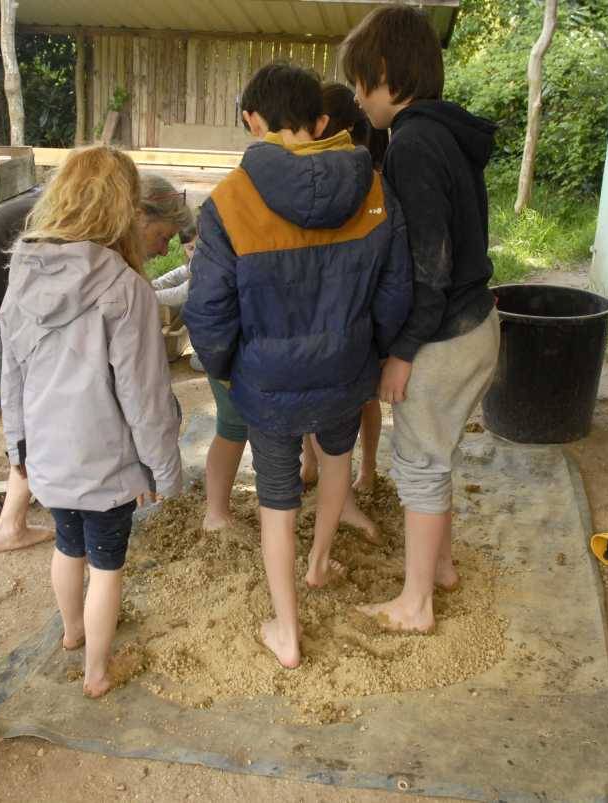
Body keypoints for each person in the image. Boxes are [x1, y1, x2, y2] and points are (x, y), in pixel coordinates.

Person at [184, 63, 412, 668]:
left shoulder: (229, 202)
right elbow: (395, 292)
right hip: (346, 371)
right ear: (321, 120)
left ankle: (286, 631)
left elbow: (207, 311)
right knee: (337, 462)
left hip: (266, 383)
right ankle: (319, 563)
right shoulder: (374, 189)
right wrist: (373, 352)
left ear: (251, 120)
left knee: (278, 497)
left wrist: (228, 369)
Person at [0, 173, 192, 554]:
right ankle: (40, 525)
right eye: (162, 236)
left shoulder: (73, 217)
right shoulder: (80, 237)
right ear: (138, 215)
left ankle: (26, 522)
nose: (162, 249)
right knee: (48, 418)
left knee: (42, 418)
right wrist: (143, 467)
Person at [0, 145, 183, 697]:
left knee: (67, 544)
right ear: (124, 207)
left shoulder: (21, 273)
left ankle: (73, 633)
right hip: (106, 461)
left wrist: (17, 447)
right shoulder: (125, 288)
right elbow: (145, 397)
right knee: (107, 565)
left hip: (48, 453)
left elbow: (12, 374)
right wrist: (165, 471)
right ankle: (98, 672)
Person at [341, 6, 501, 633]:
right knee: (435, 454)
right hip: (475, 322)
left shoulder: (413, 144)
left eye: (361, 81)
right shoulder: (445, 132)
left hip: (445, 334)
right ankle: (441, 568)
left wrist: (403, 350)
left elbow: (431, 270)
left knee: (419, 462)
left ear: (386, 72)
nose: (358, 98)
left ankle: (415, 604)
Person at [299, 83, 389, 496]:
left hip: (352, 296)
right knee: (327, 387)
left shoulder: (372, 179)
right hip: (336, 294)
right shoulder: (313, 173)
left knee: (359, 392)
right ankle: (318, 463)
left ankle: (363, 469)